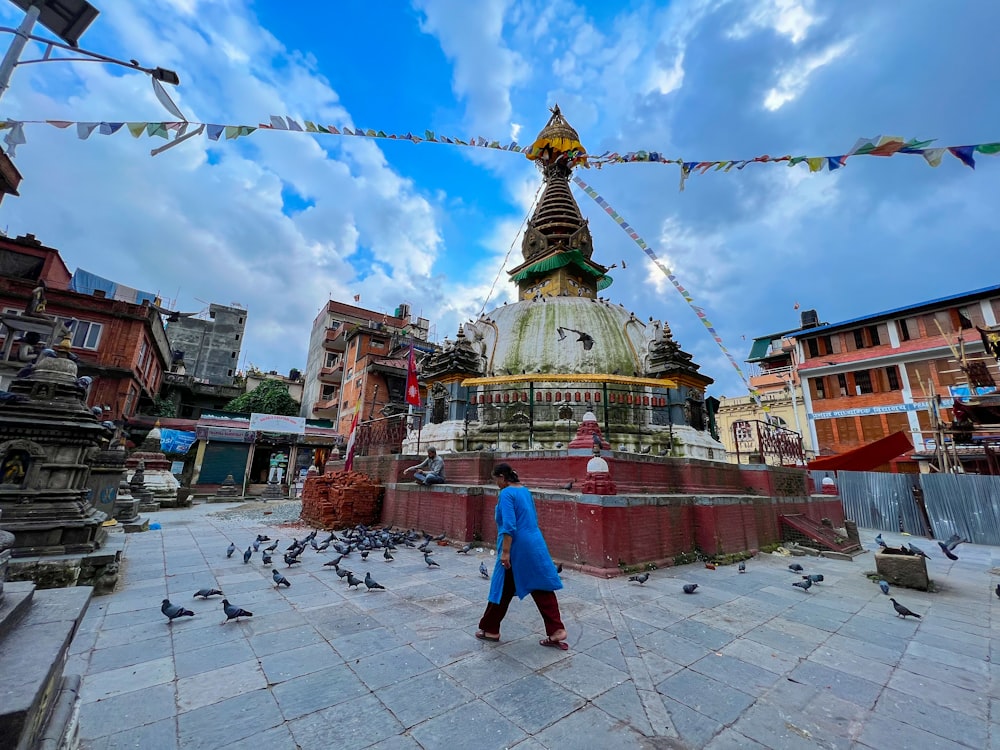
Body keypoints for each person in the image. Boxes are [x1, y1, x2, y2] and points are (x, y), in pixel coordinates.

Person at [475, 463, 567, 649]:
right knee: (537, 586)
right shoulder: (524, 490)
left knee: (502, 587)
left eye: (496, 480)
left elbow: (509, 525)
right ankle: (556, 629)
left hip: (517, 546)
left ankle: (491, 628)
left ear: (502, 477)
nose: (496, 484)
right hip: (534, 542)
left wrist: (506, 552)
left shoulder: (507, 493)